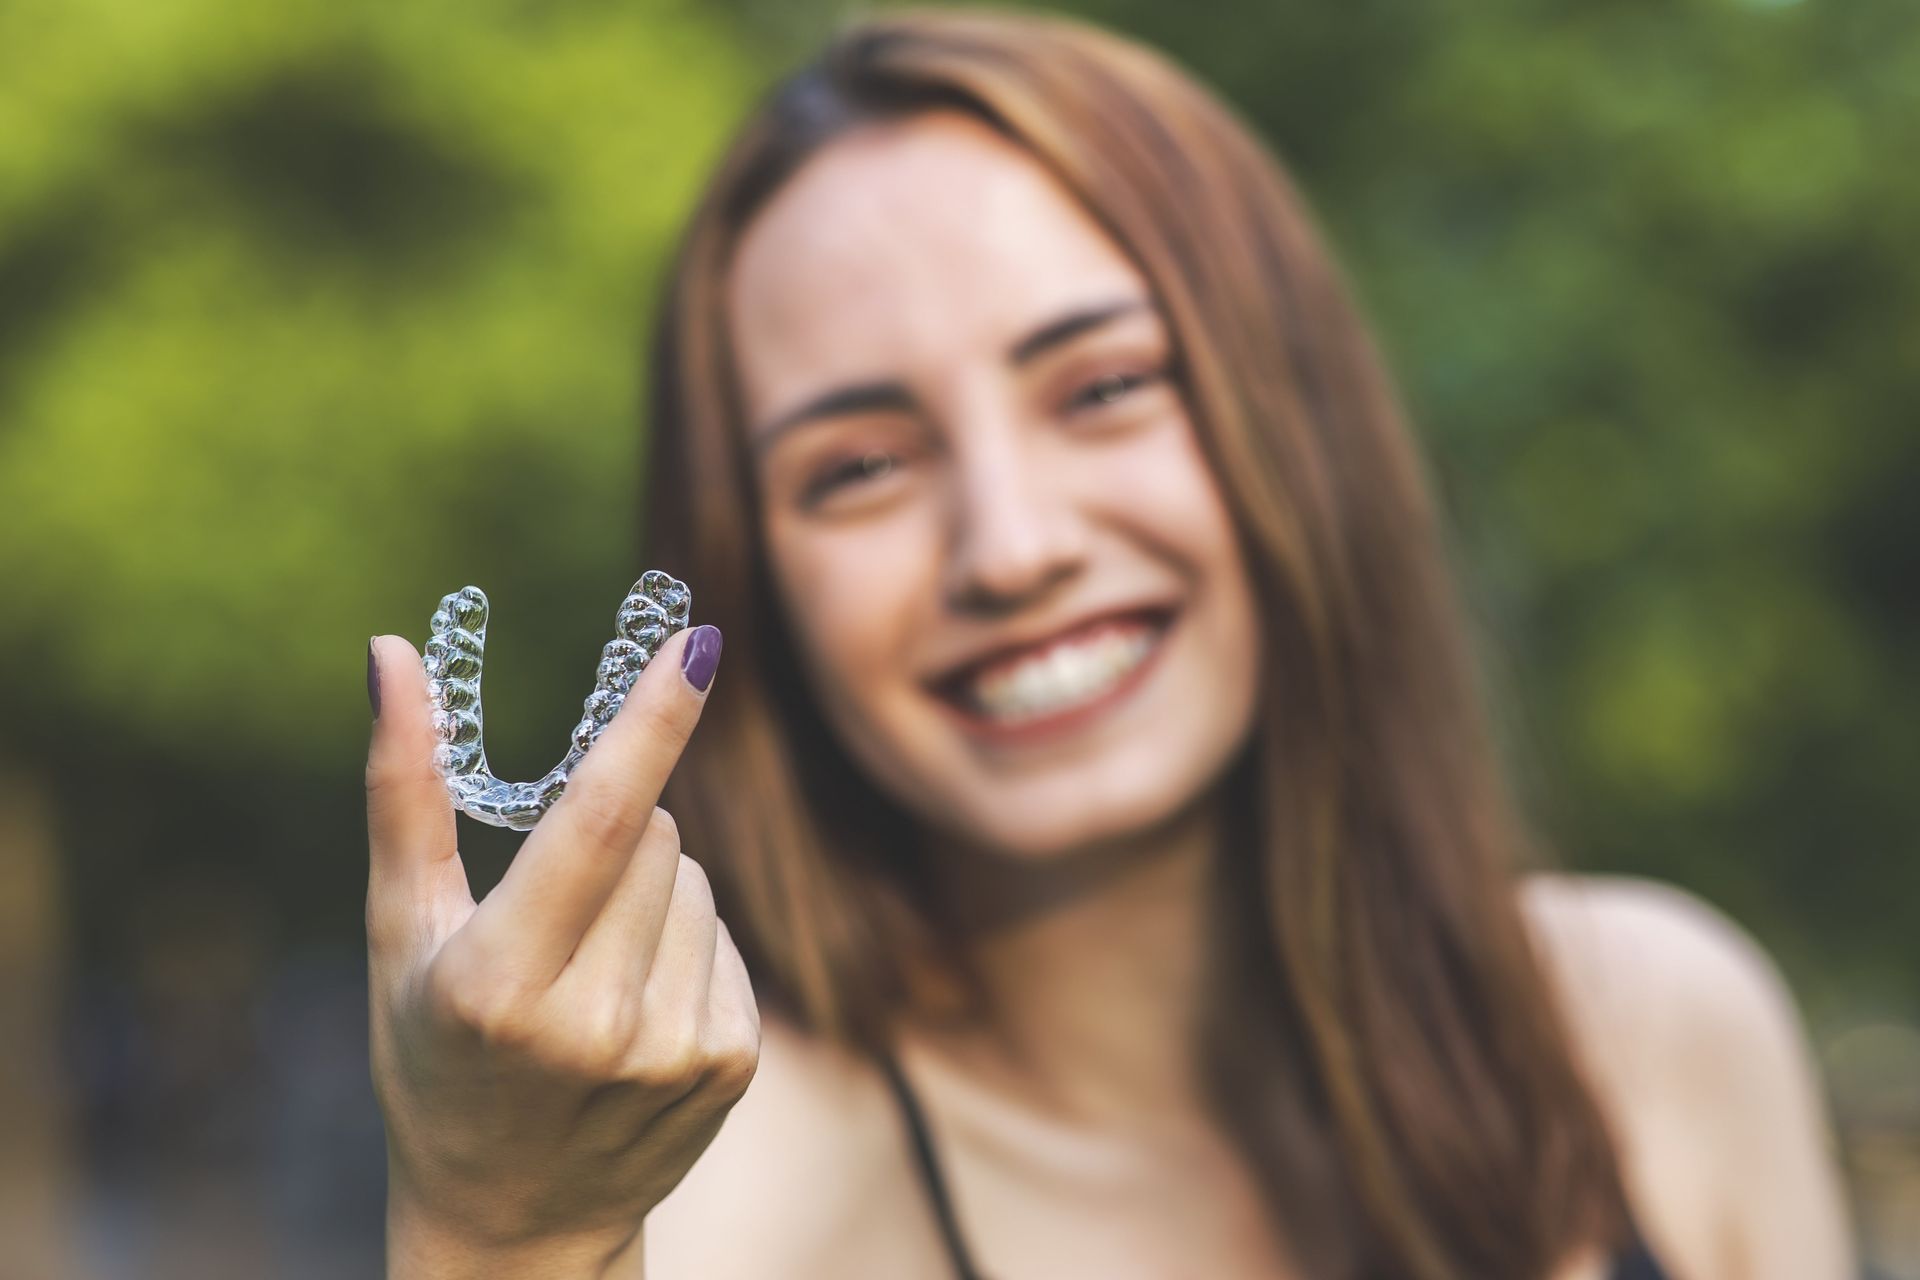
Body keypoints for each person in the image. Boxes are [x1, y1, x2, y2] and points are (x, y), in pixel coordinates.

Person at [362, 9, 1855, 1278]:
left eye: (1104, 386)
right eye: (860, 468)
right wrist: (498, 1233)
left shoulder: (1655, 1033)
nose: (1012, 548)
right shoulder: (713, 1197)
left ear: (1300, 412)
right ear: (747, 582)